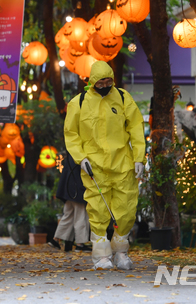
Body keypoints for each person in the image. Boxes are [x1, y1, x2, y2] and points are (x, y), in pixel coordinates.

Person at [64, 61, 145, 270]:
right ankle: (101, 257)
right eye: (101, 82)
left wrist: (139, 158)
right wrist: (80, 158)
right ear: (92, 82)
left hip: (123, 165)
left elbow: (136, 128)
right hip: (94, 167)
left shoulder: (123, 98)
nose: (105, 84)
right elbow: (71, 134)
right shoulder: (78, 103)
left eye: (109, 81)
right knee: (98, 212)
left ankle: (121, 252)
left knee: (126, 211)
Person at [52, 153, 91, 252]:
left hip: (67, 190)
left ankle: (56, 239)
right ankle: (80, 243)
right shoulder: (80, 154)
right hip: (77, 191)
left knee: (68, 216)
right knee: (80, 216)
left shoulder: (71, 152)